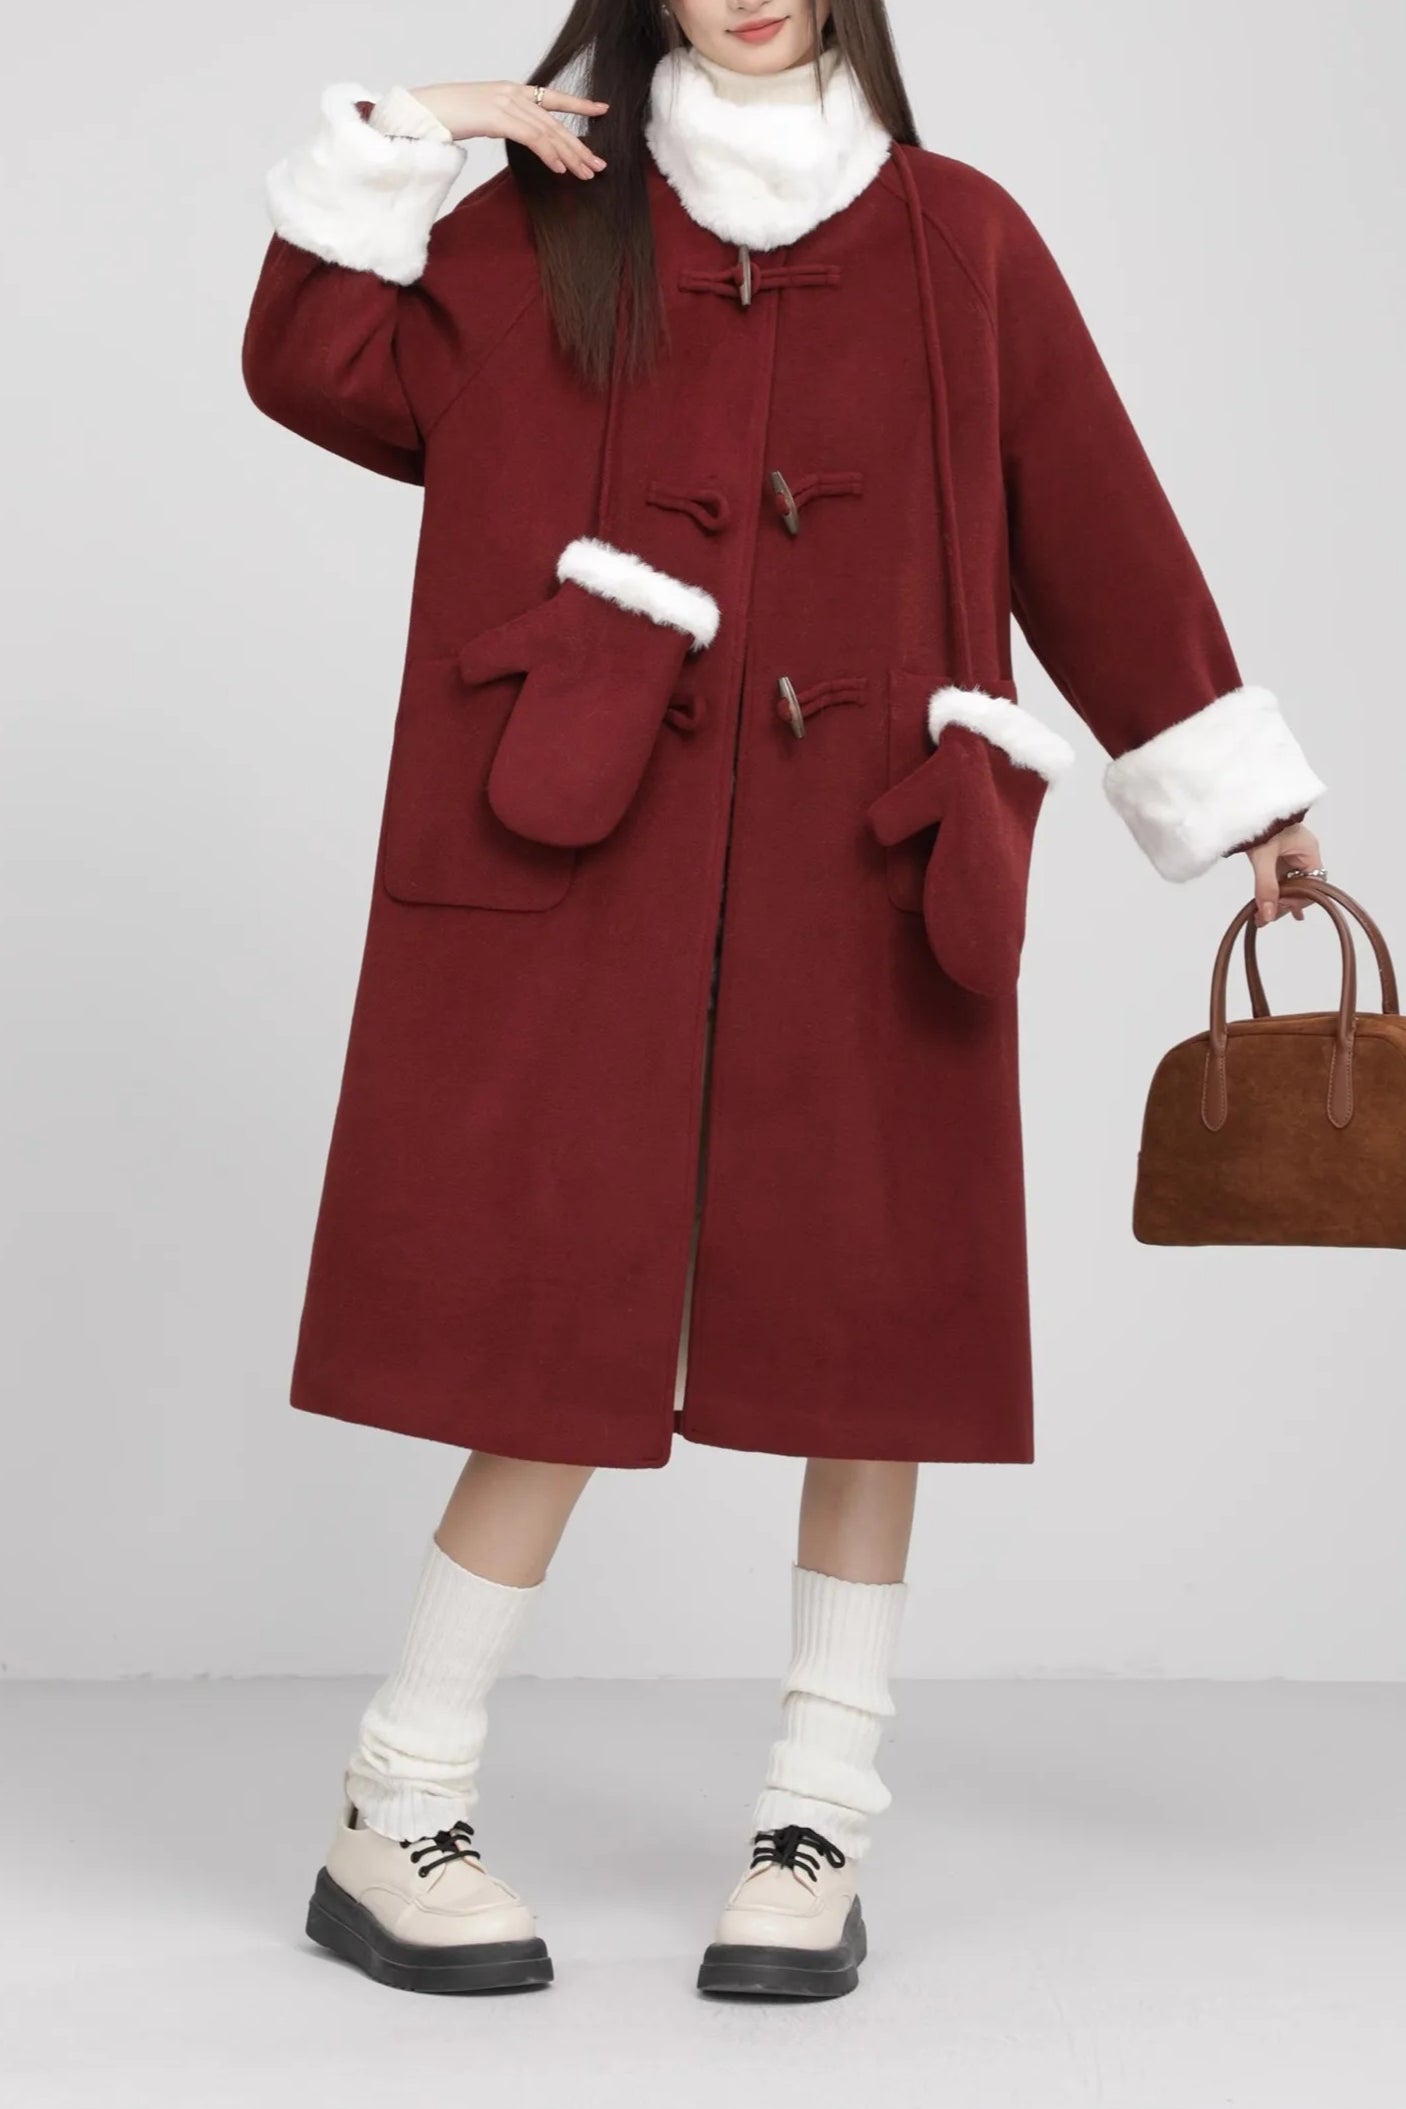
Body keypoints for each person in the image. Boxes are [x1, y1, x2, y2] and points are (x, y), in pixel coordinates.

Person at [242, 0, 1326, 2001]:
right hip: (582, 841)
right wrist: (418, 131)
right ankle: (397, 1799)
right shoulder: (551, 225)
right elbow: (316, 365)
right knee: (556, 1322)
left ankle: (815, 1816)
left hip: (874, 847)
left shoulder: (957, 237)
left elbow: (1088, 514)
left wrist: (1235, 794)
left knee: (868, 1319)